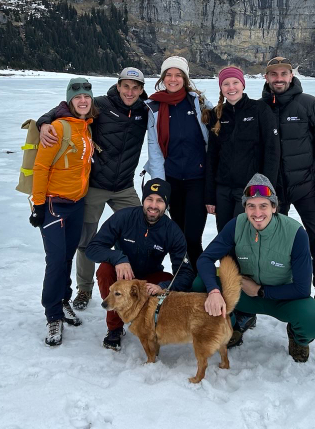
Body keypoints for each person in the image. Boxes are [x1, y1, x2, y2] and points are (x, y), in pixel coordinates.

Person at [37, 67, 148, 311]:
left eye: (135, 87)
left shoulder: (145, 110)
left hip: (124, 187)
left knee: (139, 232)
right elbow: (66, 108)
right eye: (126, 86)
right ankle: (84, 289)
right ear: (118, 86)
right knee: (85, 240)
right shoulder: (100, 105)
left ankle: (133, 286)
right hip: (94, 185)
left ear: (141, 90)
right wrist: (44, 122)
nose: (130, 92)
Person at [195, 174, 315, 362]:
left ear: (274, 207)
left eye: (263, 205)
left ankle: (298, 339)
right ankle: (230, 327)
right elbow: (205, 259)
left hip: (284, 298)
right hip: (244, 295)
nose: (257, 213)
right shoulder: (237, 225)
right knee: (200, 285)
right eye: (251, 206)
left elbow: (302, 289)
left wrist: (260, 291)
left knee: (313, 318)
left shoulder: (295, 233)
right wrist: (215, 291)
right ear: (245, 208)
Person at [261, 56, 315, 331]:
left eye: (284, 73)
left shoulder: (310, 105)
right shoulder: (261, 109)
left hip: (308, 188)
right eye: (274, 74)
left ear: (291, 76)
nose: (279, 78)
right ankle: (274, 297)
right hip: (274, 192)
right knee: (271, 245)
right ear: (267, 78)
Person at [86, 179, 195, 351]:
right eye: (149, 199)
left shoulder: (172, 231)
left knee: (170, 282)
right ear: (143, 200)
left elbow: (185, 272)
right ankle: (115, 328)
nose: (153, 205)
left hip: (149, 278)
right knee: (104, 270)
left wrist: (163, 286)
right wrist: (118, 258)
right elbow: (92, 248)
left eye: (160, 201)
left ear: (166, 204)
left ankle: (156, 326)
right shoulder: (124, 217)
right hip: (123, 276)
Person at [28, 77, 97, 347]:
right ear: (69, 100)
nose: (82, 100)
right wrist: (38, 205)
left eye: (87, 97)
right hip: (54, 204)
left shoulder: (86, 128)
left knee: (68, 256)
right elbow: (41, 167)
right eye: (77, 97)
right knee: (55, 261)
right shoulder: (56, 128)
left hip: (77, 203)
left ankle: (64, 299)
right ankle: (52, 314)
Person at [144, 55, 209, 270]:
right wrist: (160, 184)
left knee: (192, 236)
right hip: (172, 179)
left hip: (196, 179)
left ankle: (200, 284)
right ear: (163, 78)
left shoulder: (198, 102)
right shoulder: (155, 106)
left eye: (178, 75)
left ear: (185, 78)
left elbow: (215, 134)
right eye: (169, 75)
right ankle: (181, 280)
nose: (173, 79)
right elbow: (154, 147)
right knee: (177, 234)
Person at [203, 65, 280, 233]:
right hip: (223, 190)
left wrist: (266, 191)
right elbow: (212, 157)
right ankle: (226, 261)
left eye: (235, 82)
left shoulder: (260, 110)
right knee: (225, 237)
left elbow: (272, 153)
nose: (231, 88)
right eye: (226, 84)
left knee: (245, 237)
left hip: (251, 190)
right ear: (221, 88)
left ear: (243, 85)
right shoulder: (217, 114)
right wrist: (210, 196)